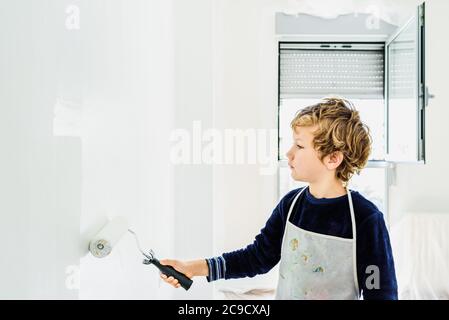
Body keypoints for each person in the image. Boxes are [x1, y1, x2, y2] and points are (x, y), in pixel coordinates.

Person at [160, 97, 398, 300]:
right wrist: (193, 268)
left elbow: (380, 291)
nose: (289, 153)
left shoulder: (365, 219)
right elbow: (257, 258)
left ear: (333, 159)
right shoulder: (291, 205)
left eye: (299, 146)